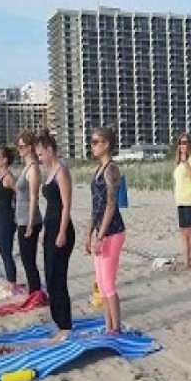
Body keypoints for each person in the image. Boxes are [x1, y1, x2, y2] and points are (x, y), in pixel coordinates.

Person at [85, 126, 126, 334]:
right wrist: (89, 233)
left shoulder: (111, 169)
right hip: (100, 232)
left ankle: (115, 327)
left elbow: (110, 205)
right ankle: (108, 325)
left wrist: (100, 236)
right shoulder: (98, 169)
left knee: (108, 282)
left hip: (113, 231)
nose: (92, 146)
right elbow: (96, 205)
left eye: (95, 142)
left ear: (107, 144)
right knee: (101, 284)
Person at [35, 130, 75, 342]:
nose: (39, 158)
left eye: (41, 154)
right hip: (49, 228)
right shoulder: (49, 173)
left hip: (62, 228)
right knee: (49, 277)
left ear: (50, 150)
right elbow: (49, 205)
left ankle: (65, 325)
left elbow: (66, 205)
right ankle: (58, 322)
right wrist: (43, 230)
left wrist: (61, 232)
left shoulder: (61, 172)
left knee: (58, 278)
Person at [14, 131, 43, 295]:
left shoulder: (33, 169)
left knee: (29, 260)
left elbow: (34, 197)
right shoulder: (26, 167)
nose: (19, 149)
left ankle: (35, 292)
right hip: (22, 220)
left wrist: (30, 224)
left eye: (21, 146)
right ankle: (34, 290)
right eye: (18, 146)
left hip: (30, 221)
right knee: (26, 259)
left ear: (30, 148)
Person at [173, 132, 191, 269]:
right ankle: (186, 262)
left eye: (185, 142)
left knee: (190, 232)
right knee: (183, 232)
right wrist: (181, 160)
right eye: (180, 143)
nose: (182, 145)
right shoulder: (178, 162)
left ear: (189, 144)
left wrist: (184, 161)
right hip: (181, 200)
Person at [0, 145, 17, 290]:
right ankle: (10, 279)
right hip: (0, 219)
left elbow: (20, 194)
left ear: (5, 160)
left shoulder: (8, 177)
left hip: (7, 220)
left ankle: (11, 281)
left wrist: (16, 214)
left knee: (6, 251)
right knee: (3, 251)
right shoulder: (0, 176)